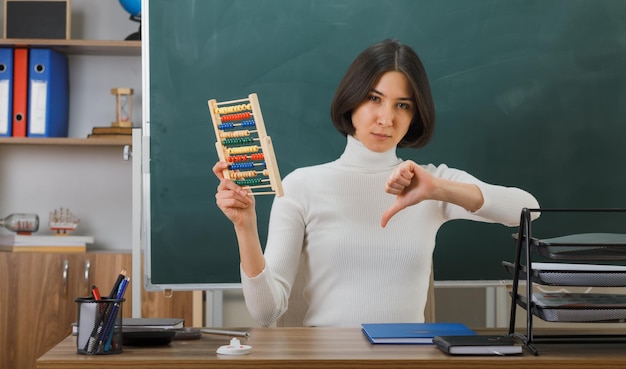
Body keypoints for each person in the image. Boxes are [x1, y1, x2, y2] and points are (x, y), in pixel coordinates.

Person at [213, 38, 540, 327]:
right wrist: (245, 226)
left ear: (415, 115)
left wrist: (438, 189)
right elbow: (267, 313)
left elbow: (528, 209)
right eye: (374, 98)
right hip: (326, 363)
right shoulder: (301, 186)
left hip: (407, 361)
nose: (386, 119)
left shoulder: (427, 180)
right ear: (351, 100)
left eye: (403, 105)